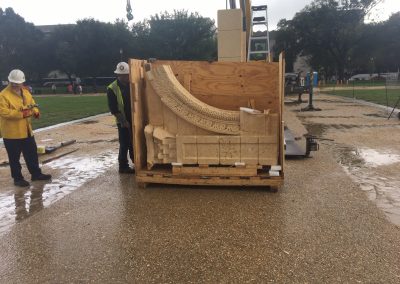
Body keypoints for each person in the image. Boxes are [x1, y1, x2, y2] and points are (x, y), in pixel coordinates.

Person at [0, 69, 52, 187]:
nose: (14, 84)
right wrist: (21, 114)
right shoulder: (3, 95)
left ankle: (36, 174)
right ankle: (18, 178)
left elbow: (32, 104)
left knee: (32, 154)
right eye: (12, 82)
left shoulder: (26, 92)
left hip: (26, 130)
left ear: (22, 82)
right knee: (14, 158)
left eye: (17, 82)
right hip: (12, 133)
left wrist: (35, 111)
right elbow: (4, 112)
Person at [106, 62, 134, 174]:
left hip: (133, 118)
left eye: (127, 74)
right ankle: (123, 166)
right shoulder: (112, 88)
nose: (126, 77)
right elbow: (113, 109)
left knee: (133, 141)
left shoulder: (131, 84)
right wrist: (123, 121)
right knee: (124, 143)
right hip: (123, 120)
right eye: (124, 75)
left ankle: (135, 161)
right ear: (119, 75)